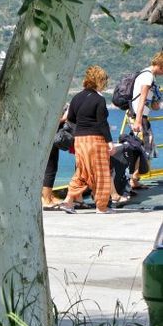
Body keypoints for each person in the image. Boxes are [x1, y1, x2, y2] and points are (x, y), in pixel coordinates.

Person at [60, 65, 114, 214]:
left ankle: (68, 200)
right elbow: (102, 123)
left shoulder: (76, 98)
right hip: (96, 140)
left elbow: (71, 118)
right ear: (99, 81)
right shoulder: (99, 99)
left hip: (80, 140)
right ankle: (101, 207)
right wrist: (110, 143)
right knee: (101, 172)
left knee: (82, 171)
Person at [128, 51, 163, 189]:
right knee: (140, 147)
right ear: (160, 65)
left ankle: (135, 178)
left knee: (142, 147)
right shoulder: (148, 77)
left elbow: (151, 104)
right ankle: (133, 179)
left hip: (141, 116)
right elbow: (142, 99)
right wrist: (137, 121)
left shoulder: (147, 75)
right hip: (138, 116)